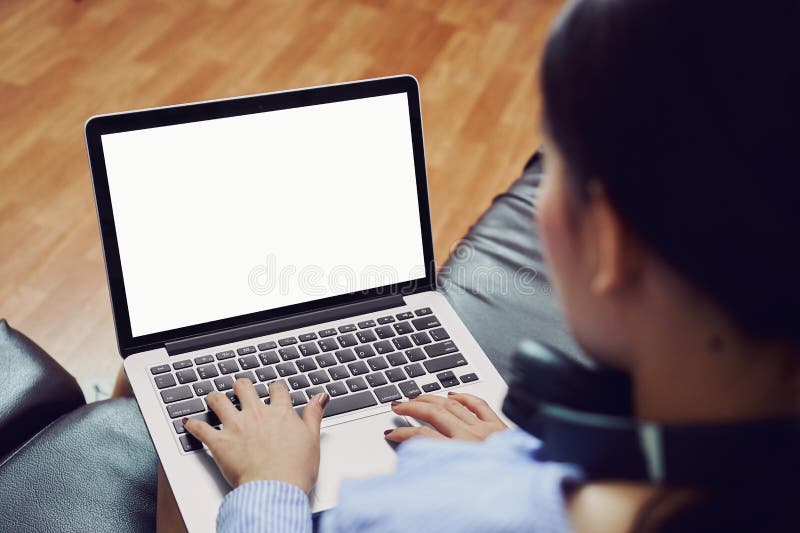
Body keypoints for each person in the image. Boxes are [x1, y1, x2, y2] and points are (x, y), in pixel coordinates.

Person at [175, 0, 800, 530]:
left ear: (610, 242)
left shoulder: (435, 512)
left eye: (551, 164)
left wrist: (269, 484)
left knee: (148, 418)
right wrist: (518, 455)